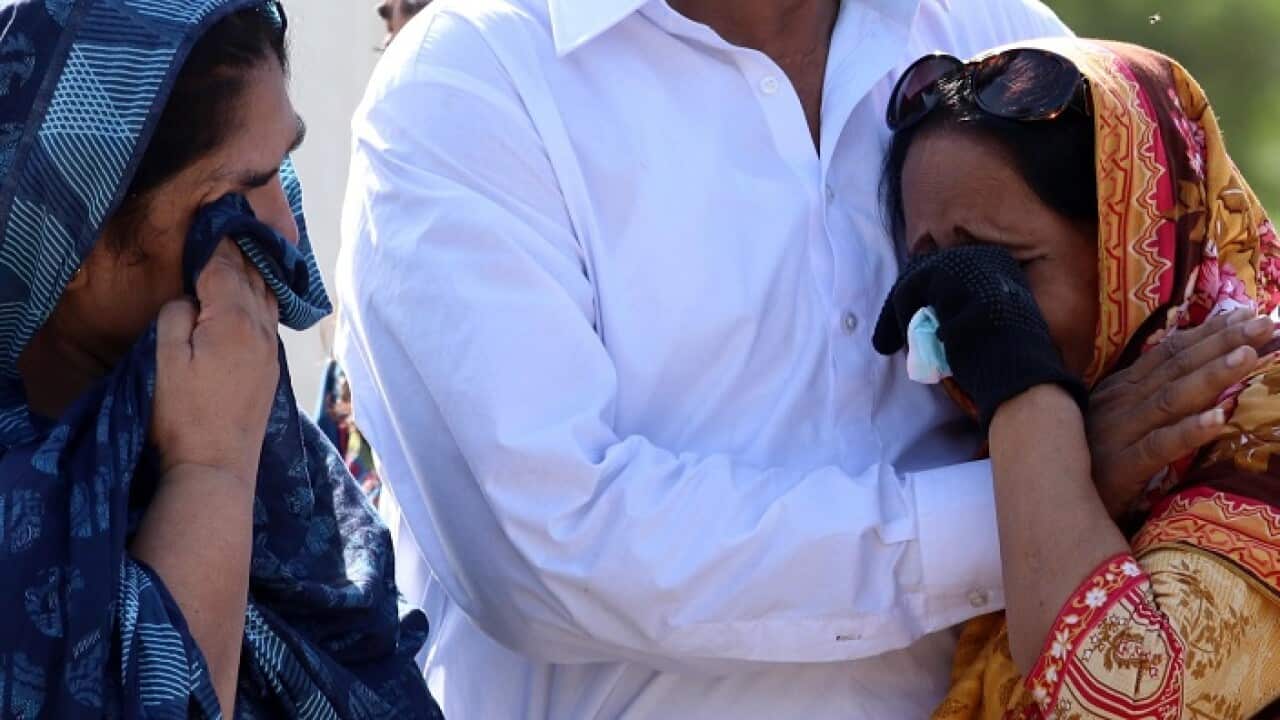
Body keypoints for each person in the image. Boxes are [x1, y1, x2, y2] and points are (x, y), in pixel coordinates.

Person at [335, 1, 1274, 717]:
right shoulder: (471, 81)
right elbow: (545, 552)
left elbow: (1188, 333)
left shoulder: (992, 31)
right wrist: (1041, 491)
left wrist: (1056, 485)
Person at [0, 0, 441, 716]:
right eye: (239, 194)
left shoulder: (283, 480)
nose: (286, 236)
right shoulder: (26, 526)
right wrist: (209, 473)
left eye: (283, 170)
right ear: (75, 233)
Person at [874, 38, 1280, 717]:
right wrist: (1067, 462)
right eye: (935, 278)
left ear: (1135, 247)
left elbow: (1108, 699)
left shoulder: (1265, 419)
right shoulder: (1017, 461)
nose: (969, 323)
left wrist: (1023, 387)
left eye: (1004, 270)